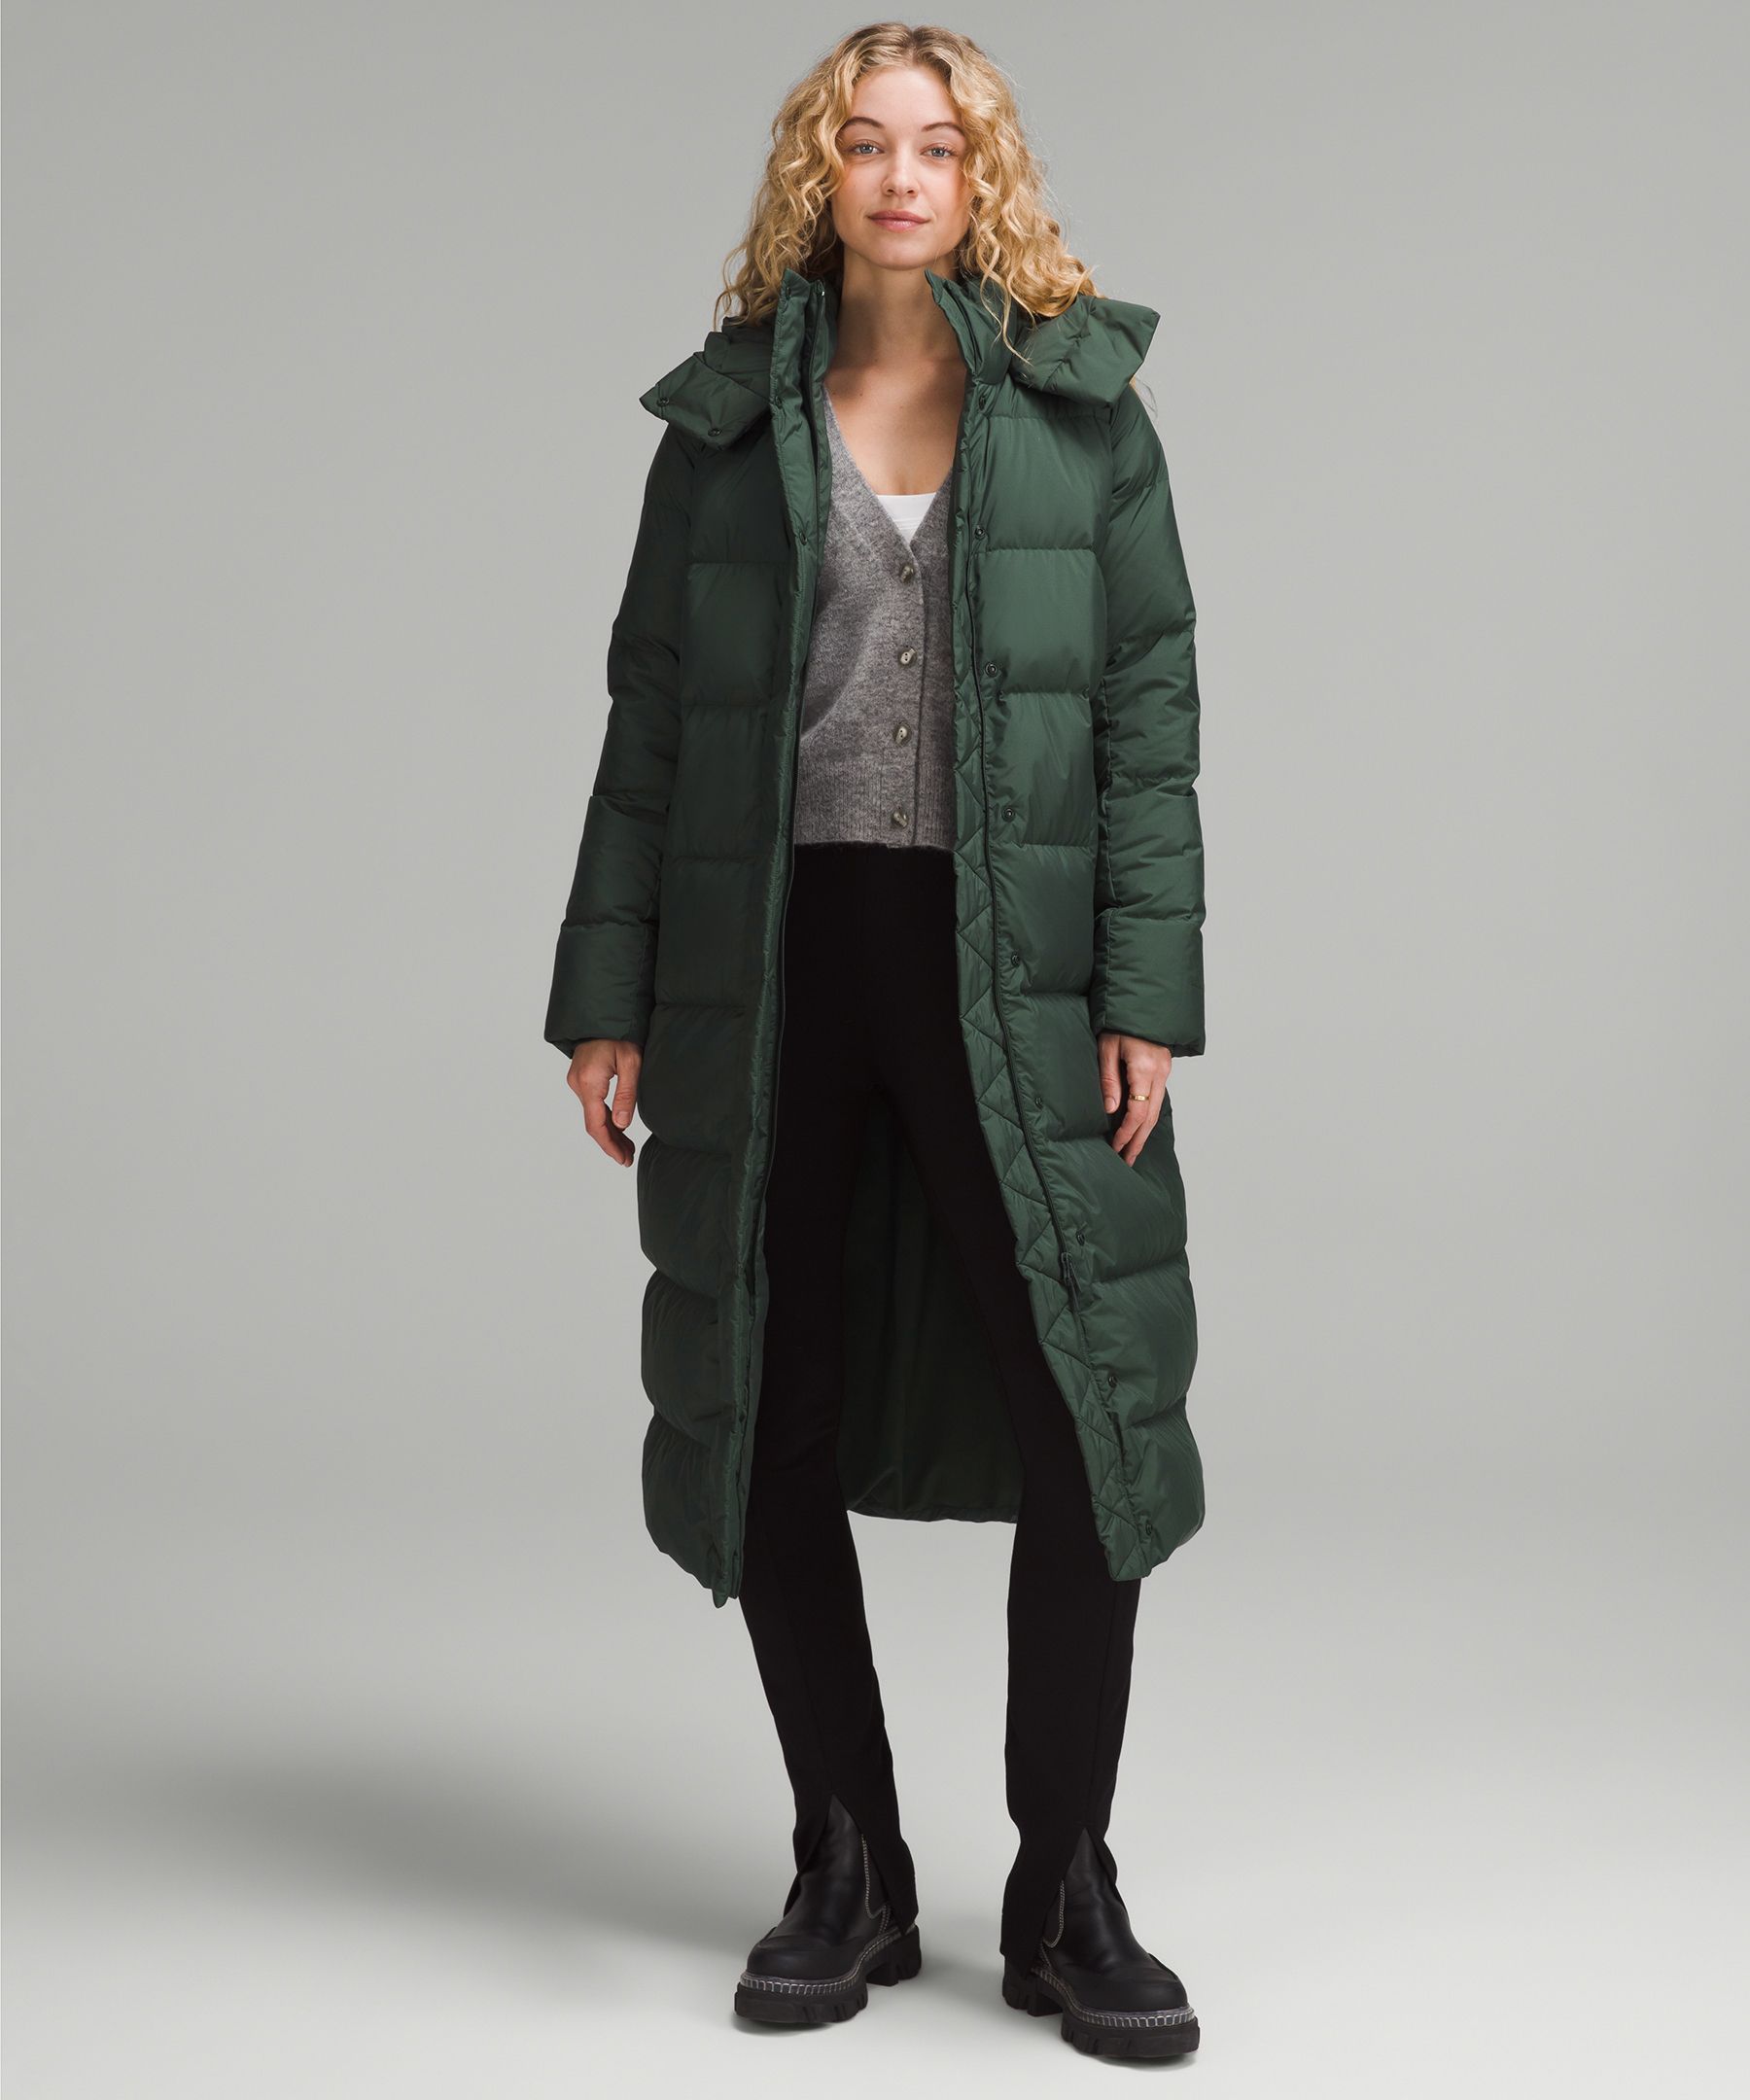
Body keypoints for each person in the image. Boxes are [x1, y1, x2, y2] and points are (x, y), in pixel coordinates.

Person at [543, 23, 1207, 2061]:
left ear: (982, 175)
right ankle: (846, 1859)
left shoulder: (1084, 424)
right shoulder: (726, 432)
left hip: (1010, 964)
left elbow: (1152, 707)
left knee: (1087, 1412)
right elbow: (654, 717)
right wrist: (608, 992)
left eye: (939, 145)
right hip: (776, 958)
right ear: (818, 174)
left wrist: (1144, 990)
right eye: (866, 141)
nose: (902, 175)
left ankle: (1067, 1881)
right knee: (768, 1402)